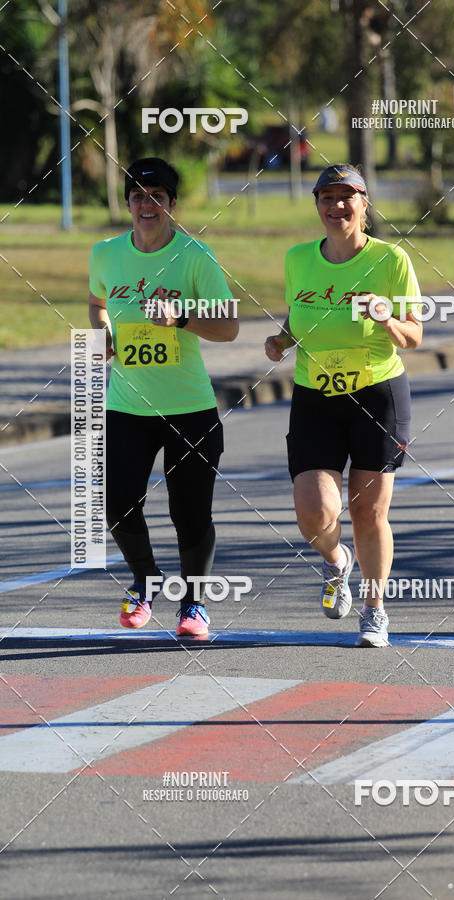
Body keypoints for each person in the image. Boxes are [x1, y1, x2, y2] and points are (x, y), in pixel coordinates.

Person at [265, 163, 422, 647]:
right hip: (315, 394)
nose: (336, 207)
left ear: (364, 205)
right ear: (316, 205)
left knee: (368, 512)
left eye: (346, 198)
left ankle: (374, 610)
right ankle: (337, 563)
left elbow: (414, 335)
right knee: (314, 513)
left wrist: (386, 320)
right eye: (326, 198)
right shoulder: (298, 258)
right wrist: (281, 340)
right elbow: (300, 311)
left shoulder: (391, 260)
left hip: (377, 393)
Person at [88, 157, 238, 636]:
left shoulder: (196, 257)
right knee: (115, 500)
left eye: (157, 196)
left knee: (189, 512)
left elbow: (229, 327)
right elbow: (97, 302)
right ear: (127, 201)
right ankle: (145, 578)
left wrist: (182, 319)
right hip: (126, 405)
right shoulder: (106, 253)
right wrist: (104, 330)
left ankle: (194, 605)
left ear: (172, 204)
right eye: (137, 195)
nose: (146, 205)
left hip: (188, 409)